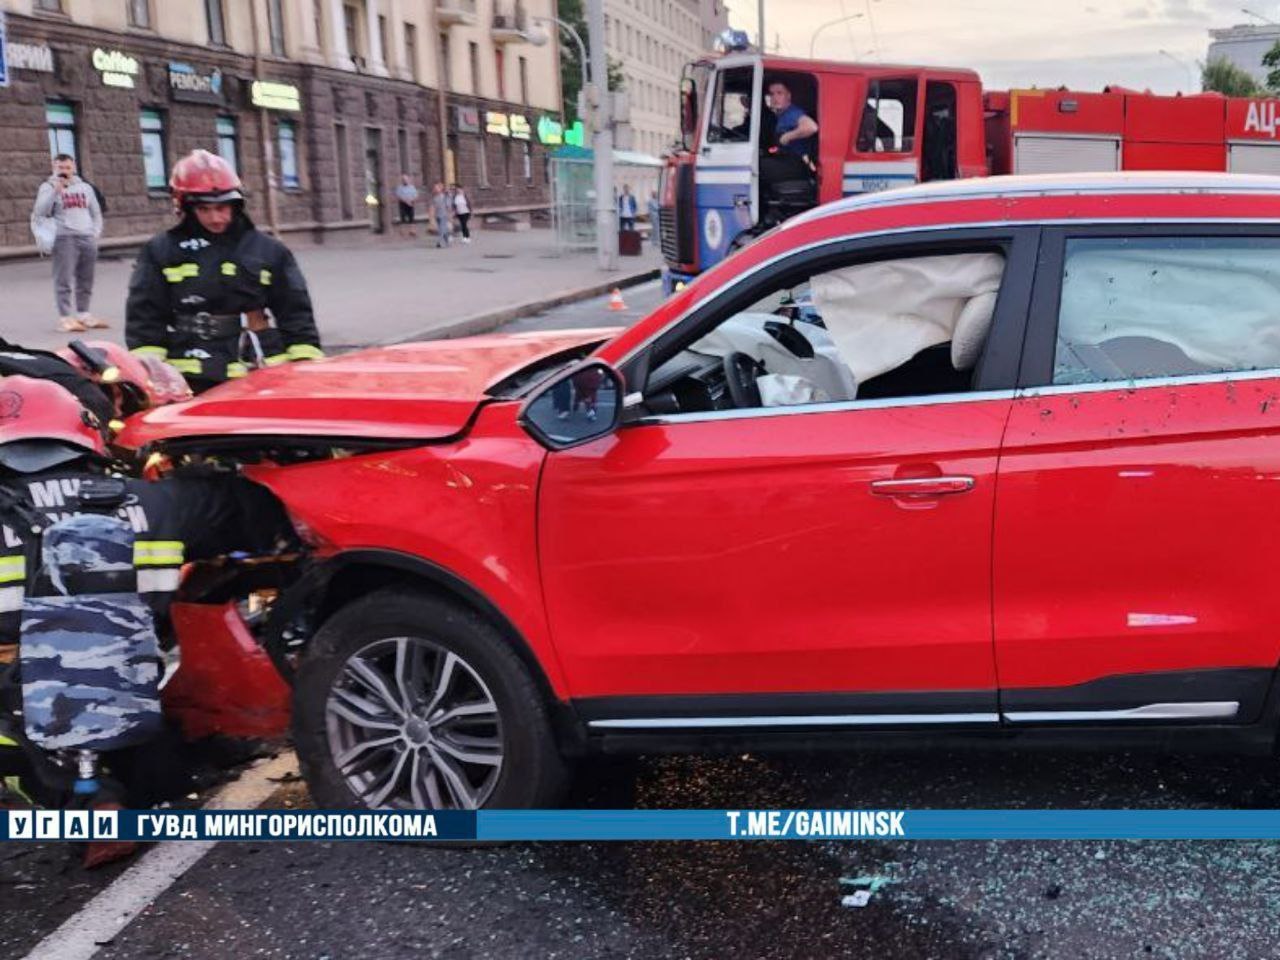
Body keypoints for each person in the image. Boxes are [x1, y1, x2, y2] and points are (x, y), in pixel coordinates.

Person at [0, 375, 296, 863]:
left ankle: (85, 806)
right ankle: (126, 793)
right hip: (132, 694)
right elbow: (260, 517)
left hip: (23, 709)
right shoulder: (157, 501)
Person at [125, 150, 323, 394]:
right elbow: (144, 319)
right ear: (185, 207)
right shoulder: (161, 251)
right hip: (190, 372)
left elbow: (296, 313)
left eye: (223, 208)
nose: (216, 218)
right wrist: (152, 374)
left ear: (236, 204)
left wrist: (304, 367)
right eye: (205, 210)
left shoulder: (269, 250)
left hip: (259, 365)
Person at [31, 155, 106, 334]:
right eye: (60, 168)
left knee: (86, 278)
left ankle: (83, 313)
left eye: (67, 167)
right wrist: (55, 191)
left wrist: (95, 233)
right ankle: (65, 317)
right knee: (63, 279)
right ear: (54, 168)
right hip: (64, 238)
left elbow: (96, 212)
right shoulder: (47, 187)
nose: (64, 171)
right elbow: (40, 211)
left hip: (87, 237)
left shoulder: (85, 188)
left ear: (73, 167)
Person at [767, 80, 819, 160]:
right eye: (771, 94)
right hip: (786, 158)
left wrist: (787, 137)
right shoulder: (780, 115)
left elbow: (811, 127)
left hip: (797, 161)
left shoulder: (792, 112)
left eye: (779, 93)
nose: (775, 97)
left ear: (788, 96)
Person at [394, 174, 419, 238]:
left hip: (411, 204)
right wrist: (406, 201)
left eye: (406, 179)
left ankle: (412, 231)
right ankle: (403, 231)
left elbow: (416, 195)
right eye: (403, 180)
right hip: (403, 204)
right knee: (403, 218)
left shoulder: (412, 187)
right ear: (402, 181)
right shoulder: (399, 187)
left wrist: (412, 201)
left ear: (409, 180)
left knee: (412, 218)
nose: (405, 181)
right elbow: (398, 196)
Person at [431, 183, 452, 248]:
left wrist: (449, 215)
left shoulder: (445, 197)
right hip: (437, 215)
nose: (436, 189)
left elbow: (448, 206)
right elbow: (433, 207)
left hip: (444, 215)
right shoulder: (435, 198)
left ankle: (439, 242)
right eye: (435, 188)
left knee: (441, 229)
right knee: (444, 229)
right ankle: (447, 242)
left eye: (437, 188)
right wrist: (432, 215)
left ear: (441, 189)